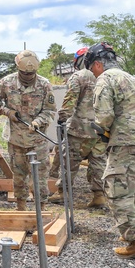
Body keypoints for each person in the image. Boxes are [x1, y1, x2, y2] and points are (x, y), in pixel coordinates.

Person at [85, 42, 135, 258]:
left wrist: (100, 131)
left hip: (127, 140)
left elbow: (104, 116)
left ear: (98, 64)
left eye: (92, 69)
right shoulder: (134, 80)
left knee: (117, 189)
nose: (92, 73)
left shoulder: (106, 79)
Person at [0, 50, 56, 210]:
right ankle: (21, 208)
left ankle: (41, 210)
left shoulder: (44, 85)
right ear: (19, 69)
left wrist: (38, 121)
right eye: (25, 73)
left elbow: (50, 110)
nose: (28, 76)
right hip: (16, 140)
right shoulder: (7, 82)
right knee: (19, 177)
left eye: (31, 74)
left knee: (39, 177)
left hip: (37, 141)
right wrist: (8, 112)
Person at [50, 47, 107, 208]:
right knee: (98, 163)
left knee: (70, 162)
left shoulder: (79, 77)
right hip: (101, 129)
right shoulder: (106, 77)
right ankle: (99, 196)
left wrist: (62, 121)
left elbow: (69, 102)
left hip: (79, 130)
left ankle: (62, 192)